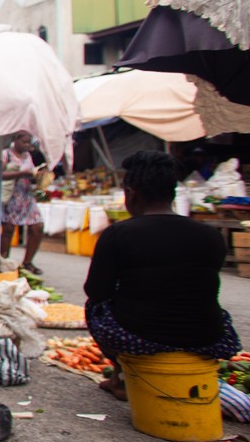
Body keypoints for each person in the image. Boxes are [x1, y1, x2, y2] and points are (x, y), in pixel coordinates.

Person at [84, 150, 241, 400]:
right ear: (173, 193)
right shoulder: (210, 235)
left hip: (141, 339)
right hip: (209, 339)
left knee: (95, 308)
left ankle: (122, 377)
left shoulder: (119, 234)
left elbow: (96, 291)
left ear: (131, 193)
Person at [0, 131, 46, 273]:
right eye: (24, 142)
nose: (27, 145)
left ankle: (28, 262)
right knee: (8, 230)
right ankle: (3, 262)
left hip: (26, 196)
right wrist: (21, 174)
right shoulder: (6, 154)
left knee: (38, 226)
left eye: (29, 142)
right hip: (10, 197)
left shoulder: (28, 156)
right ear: (15, 140)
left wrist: (36, 177)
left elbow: (30, 174)